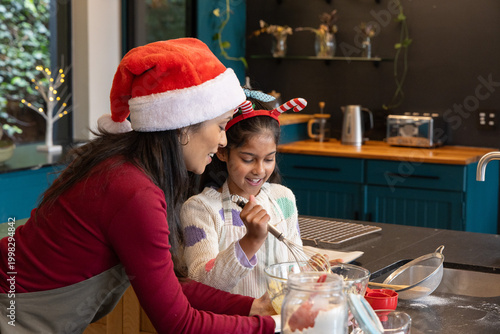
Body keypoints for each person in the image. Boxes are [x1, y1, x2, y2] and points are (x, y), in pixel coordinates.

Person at [0, 38, 277, 333]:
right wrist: (272, 326)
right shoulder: (133, 192)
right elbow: (179, 324)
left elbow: (169, 288)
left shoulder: (125, 168)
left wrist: (252, 308)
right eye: (221, 127)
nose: (223, 140)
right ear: (184, 124)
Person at [180, 92, 309, 298]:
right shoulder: (200, 209)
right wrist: (250, 241)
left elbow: (297, 264)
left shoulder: (283, 199)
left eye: (268, 159)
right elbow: (201, 285)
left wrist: (312, 270)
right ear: (223, 152)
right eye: (248, 159)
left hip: (277, 321)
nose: (259, 170)